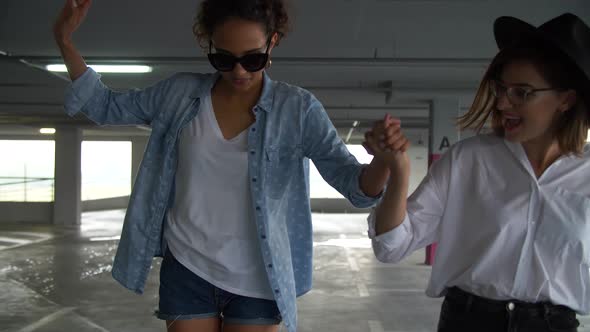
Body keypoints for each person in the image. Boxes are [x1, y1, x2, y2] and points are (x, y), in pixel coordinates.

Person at [53, 0, 391, 331]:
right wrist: (64, 41)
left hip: (259, 280)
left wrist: (385, 161)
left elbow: (356, 186)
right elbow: (106, 106)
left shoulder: (298, 109)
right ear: (208, 45)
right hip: (187, 268)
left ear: (273, 42)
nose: (239, 71)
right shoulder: (179, 95)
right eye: (223, 59)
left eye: (253, 58)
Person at [364, 13, 590, 332]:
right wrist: (398, 169)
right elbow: (391, 246)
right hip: (470, 321)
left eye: (522, 93)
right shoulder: (469, 160)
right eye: (501, 89)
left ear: (565, 100)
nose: (502, 104)